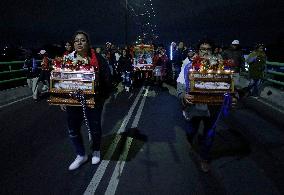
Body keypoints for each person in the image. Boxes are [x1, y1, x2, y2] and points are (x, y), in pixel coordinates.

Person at [61, 31, 111, 171]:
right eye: (76, 40)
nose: (79, 43)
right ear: (73, 43)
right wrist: (62, 99)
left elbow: (107, 79)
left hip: (93, 100)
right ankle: (81, 155)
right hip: (73, 100)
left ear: (88, 43)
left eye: (82, 40)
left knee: (94, 127)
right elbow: (62, 80)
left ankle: (96, 150)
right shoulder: (67, 59)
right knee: (73, 129)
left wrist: (101, 97)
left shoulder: (98, 58)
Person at [177, 40, 222, 172]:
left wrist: (232, 97)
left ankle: (205, 158)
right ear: (198, 51)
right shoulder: (188, 67)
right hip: (194, 108)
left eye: (208, 49)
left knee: (209, 135)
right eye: (203, 49)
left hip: (212, 108)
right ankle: (191, 140)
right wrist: (183, 95)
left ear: (212, 51)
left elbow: (228, 86)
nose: (205, 51)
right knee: (191, 131)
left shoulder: (220, 67)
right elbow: (180, 85)